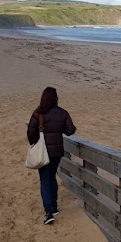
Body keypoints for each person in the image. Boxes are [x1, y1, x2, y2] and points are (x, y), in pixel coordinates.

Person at [27, 87, 76, 225]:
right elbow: (70, 131)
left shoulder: (38, 113)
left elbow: (31, 131)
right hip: (57, 152)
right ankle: (54, 207)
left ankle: (48, 212)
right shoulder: (62, 113)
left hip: (43, 151)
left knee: (44, 179)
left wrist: (35, 143)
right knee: (52, 177)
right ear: (56, 98)